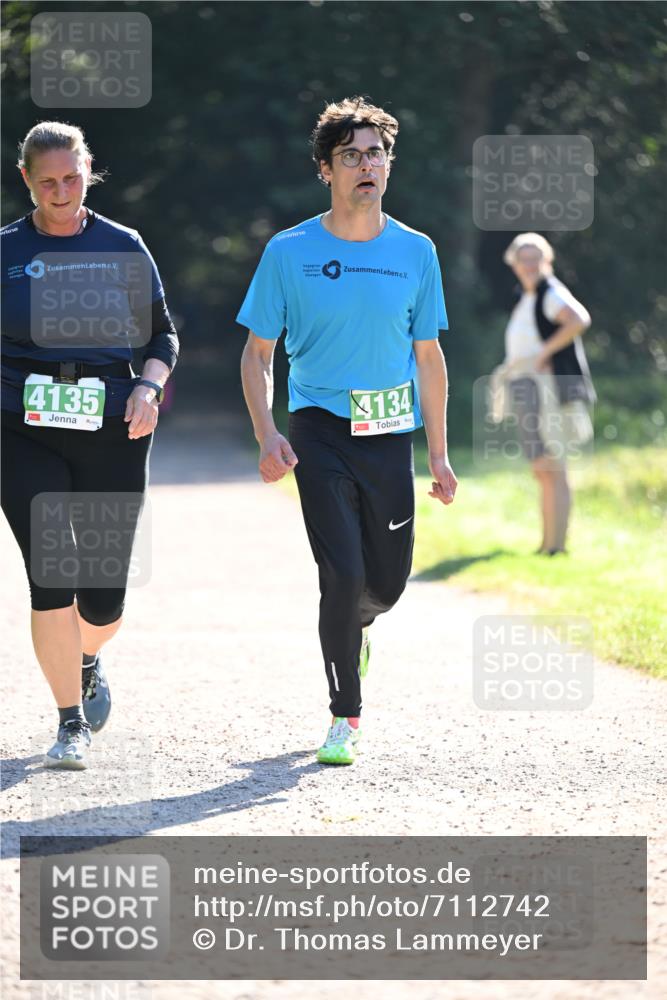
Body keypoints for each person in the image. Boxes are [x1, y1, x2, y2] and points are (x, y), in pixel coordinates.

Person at [238, 96, 456, 765]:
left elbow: (428, 357)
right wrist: (267, 433)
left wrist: (439, 455)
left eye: (375, 153)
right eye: (351, 155)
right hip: (319, 429)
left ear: (388, 165)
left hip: (388, 433)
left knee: (384, 585)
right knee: (341, 572)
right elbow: (257, 354)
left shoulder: (416, 251)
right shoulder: (289, 251)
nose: (366, 165)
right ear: (326, 170)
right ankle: (344, 715)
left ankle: (358, 627)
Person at [1, 121, 179, 768]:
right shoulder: (6, 251)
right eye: (46, 181)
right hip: (19, 424)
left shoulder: (122, 245)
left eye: (71, 178)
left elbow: (161, 337)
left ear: (88, 170)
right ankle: (68, 721)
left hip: (111, 423)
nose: (61, 192)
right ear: (26, 179)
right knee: (51, 571)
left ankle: (86, 656)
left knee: (103, 601)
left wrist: (149, 389)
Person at [501, 233, 594, 555]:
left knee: (553, 466)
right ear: (514, 264)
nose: (529, 265)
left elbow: (579, 319)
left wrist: (544, 352)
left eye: (535, 258)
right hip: (526, 385)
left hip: (546, 388)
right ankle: (547, 544)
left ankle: (556, 547)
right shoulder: (526, 297)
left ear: (547, 261)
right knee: (543, 469)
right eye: (523, 259)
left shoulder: (551, 293)